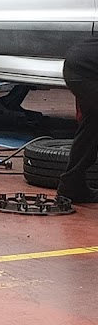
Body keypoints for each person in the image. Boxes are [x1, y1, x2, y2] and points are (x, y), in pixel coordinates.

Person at [58, 37, 98, 203]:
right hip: (87, 70)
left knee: (93, 124)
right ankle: (71, 185)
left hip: (75, 64)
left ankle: (72, 186)